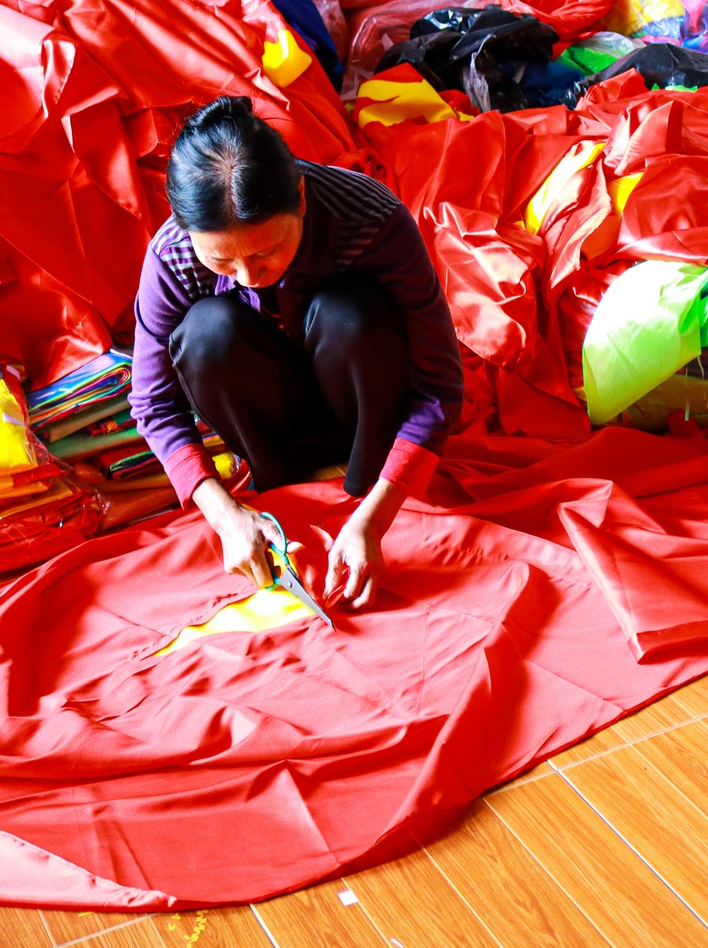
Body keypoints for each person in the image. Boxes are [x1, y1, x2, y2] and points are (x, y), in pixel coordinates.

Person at [131, 96, 463, 607]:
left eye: (266, 251)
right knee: (207, 333)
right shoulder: (172, 254)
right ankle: (280, 489)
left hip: (366, 411)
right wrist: (224, 514)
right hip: (268, 422)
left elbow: (438, 385)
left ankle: (359, 486)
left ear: (302, 198)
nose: (246, 275)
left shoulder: (371, 218)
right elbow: (153, 403)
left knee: (348, 312)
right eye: (221, 259)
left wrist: (376, 516)